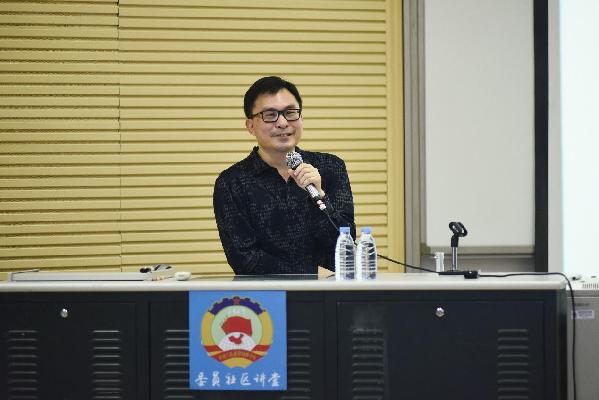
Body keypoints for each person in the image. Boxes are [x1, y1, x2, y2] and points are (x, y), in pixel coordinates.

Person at [213, 76, 355, 276]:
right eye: (270, 115)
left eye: (290, 113)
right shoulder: (231, 183)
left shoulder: (331, 167)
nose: (282, 122)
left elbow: (346, 242)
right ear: (250, 126)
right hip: (269, 294)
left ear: (301, 118)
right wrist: (310, 275)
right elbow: (244, 257)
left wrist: (320, 196)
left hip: (332, 289)